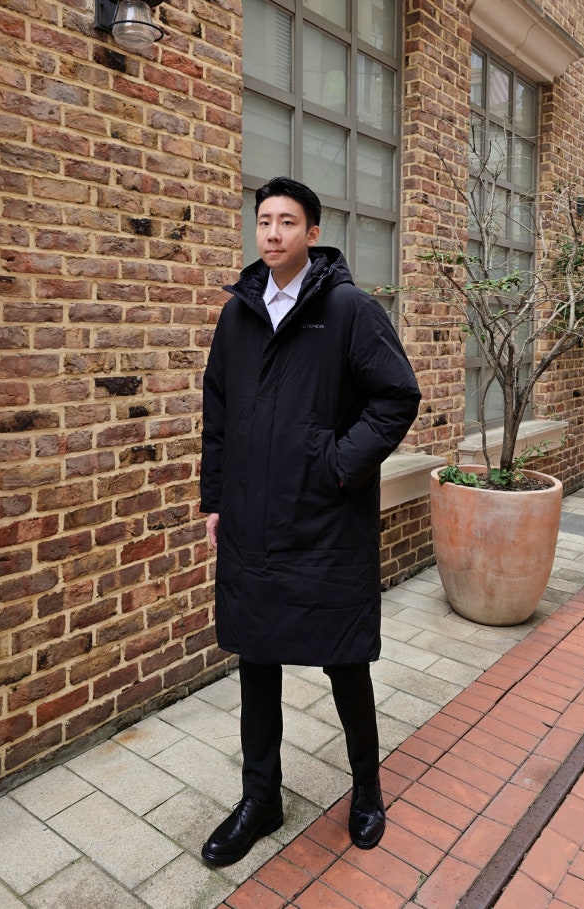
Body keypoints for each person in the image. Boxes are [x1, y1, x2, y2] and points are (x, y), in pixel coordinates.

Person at [199, 177, 421, 866]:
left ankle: (366, 788)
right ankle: (260, 797)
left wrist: (335, 464)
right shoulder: (238, 314)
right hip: (253, 521)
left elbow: (396, 396)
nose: (272, 233)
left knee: (343, 657)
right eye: (263, 220)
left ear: (313, 233)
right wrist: (215, 499)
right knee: (256, 658)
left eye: (287, 221)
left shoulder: (349, 310)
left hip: (325, 521)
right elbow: (217, 414)